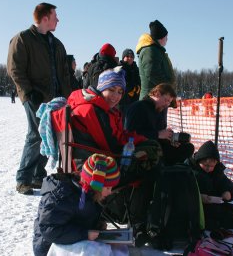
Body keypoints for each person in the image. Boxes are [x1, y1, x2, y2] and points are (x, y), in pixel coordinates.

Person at [51, 67, 161, 243]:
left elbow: (117, 137)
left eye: (120, 92)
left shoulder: (104, 109)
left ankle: (129, 218)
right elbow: (111, 145)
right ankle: (140, 223)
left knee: (147, 155)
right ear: (101, 87)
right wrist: (139, 149)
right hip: (92, 170)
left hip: (92, 161)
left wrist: (140, 140)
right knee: (148, 170)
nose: (116, 96)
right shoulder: (91, 110)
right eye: (111, 90)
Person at [7, 2, 72, 195]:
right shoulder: (23, 39)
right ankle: (23, 179)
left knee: (49, 134)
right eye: (55, 17)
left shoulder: (57, 44)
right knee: (36, 134)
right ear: (45, 18)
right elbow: (15, 69)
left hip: (55, 99)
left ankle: (37, 175)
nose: (58, 20)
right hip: (34, 96)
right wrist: (28, 92)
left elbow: (65, 74)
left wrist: (69, 97)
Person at [33, 153, 121, 256]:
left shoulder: (89, 193)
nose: (110, 192)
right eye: (107, 188)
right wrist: (85, 234)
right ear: (95, 185)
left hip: (71, 239)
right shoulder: (61, 197)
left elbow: (80, 216)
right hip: (50, 247)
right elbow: (49, 230)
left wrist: (97, 225)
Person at [188, 140, 233, 230]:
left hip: (212, 203)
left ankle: (216, 223)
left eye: (211, 166)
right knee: (219, 213)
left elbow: (227, 184)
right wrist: (199, 197)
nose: (208, 168)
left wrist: (228, 192)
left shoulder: (217, 172)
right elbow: (184, 191)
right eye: (205, 165)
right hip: (196, 207)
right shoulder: (191, 171)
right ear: (198, 161)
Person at [125, 83, 194, 166]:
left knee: (188, 147)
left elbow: (160, 132)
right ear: (157, 94)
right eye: (166, 100)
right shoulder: (138, 107)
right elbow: (130, 134)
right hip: (143, 148)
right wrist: (158, 134)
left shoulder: (160, 109)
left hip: (158, 146)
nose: (167, 104)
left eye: (169, 102)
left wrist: (169, 138)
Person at [136, 20, 175, 100]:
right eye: (166, 37)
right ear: (160, 37)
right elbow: (153, 73)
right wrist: (168, 88)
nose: (167, 39)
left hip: (158, 96)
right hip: (152, 99)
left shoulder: (156, 50)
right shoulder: (150, 50)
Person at [118, 48, 141, 114]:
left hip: (135, 99)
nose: (129, 58)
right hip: (123, 100)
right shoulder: (120, 68)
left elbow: (139, 81)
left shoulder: (136, 69)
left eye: (131, 57)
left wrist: (137, 88)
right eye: (127, 56)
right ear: (123, 57)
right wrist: (131, 88)